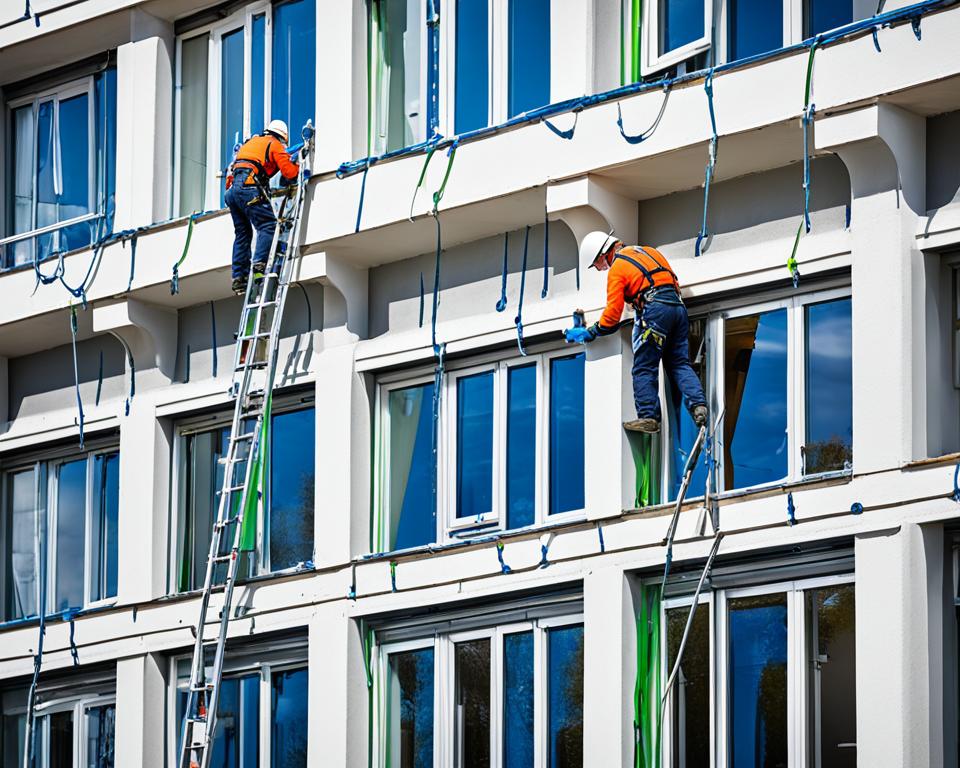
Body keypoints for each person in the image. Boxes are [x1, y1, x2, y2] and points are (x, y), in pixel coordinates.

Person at [565, 231, 708, 433]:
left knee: (644, 367)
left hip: (656, 312)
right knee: (678, 363)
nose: (600, 269)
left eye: (598, 265)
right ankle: (698, 405)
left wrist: (592, 331)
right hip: (678, 309)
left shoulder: (618, 268)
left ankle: (648, 417)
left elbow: (613, 314)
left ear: (602, 254)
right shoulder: (649, 252)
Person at [225, 119, 300, 295]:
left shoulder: (251, 143)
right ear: (282, 137)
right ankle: (259, 265)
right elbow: (290, 173)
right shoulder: (274, 145)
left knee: (243, 233)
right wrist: (297, 164)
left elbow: (231, 174)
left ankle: (239, 278)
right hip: (249, 188)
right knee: (268, 226)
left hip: (232, 193)